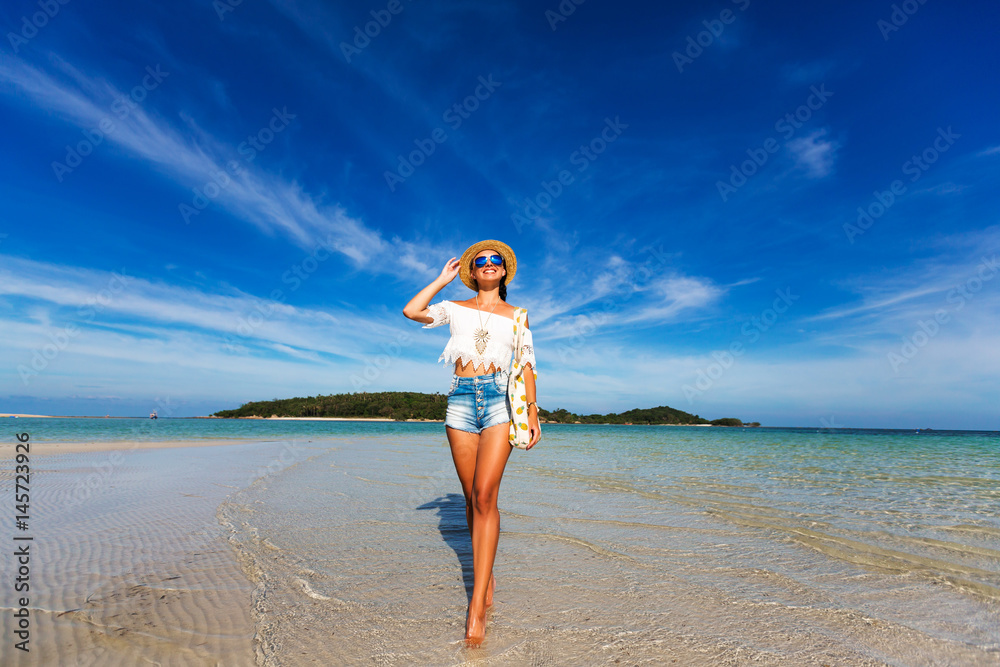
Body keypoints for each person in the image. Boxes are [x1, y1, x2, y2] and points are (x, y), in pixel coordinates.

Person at [403, 239, 540, 645]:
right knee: (468, 498)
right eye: (480, 261)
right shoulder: (455, 308)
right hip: (461, 400)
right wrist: (442, 280)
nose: (488, 264)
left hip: (500, 400)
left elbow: (528, 365)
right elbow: (412, 311)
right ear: (472, 271)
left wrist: (532, 413)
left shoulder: (518, 315)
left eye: (495, 260)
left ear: (504, 270)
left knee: (485, 496)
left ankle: (477, 605)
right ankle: (487, 572)